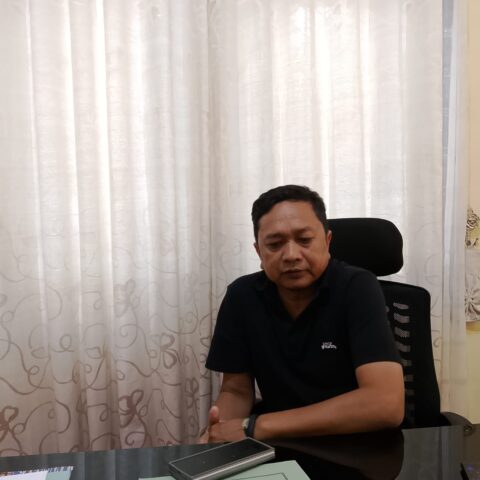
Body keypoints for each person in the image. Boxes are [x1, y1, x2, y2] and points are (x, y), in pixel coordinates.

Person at [201, 185, 404, 443]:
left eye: (305, 240)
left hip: (360, 446)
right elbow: (236, 391)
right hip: (281, 443)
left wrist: (255, 426)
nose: (291, 255)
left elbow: (385, 403)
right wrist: (216, 437)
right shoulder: (242, 296)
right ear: (259, 251)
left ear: (327, 242)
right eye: (275, 244)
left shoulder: (357, 287)